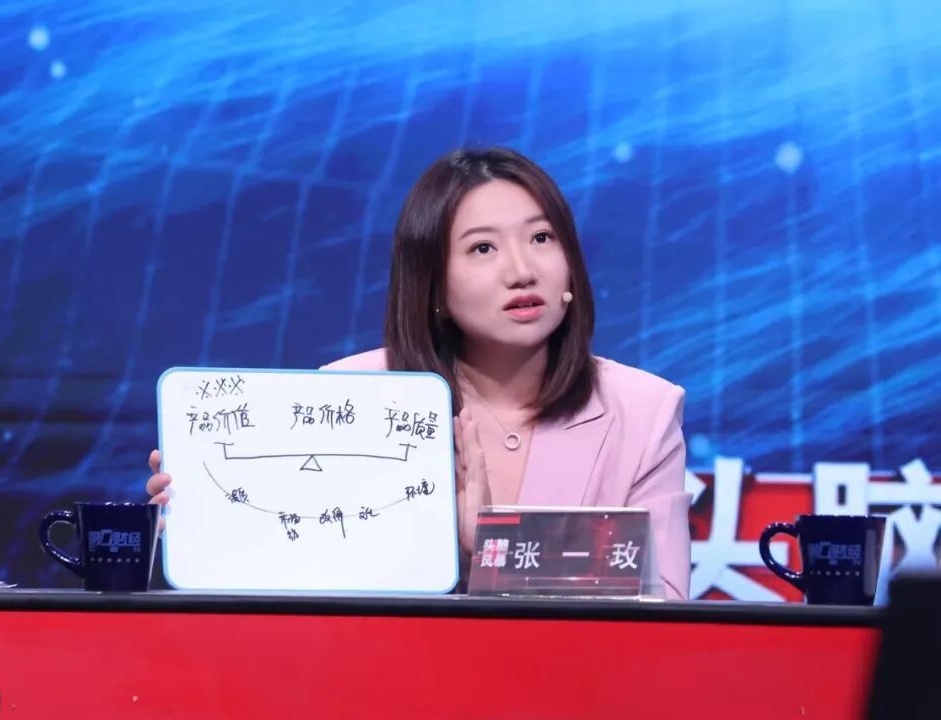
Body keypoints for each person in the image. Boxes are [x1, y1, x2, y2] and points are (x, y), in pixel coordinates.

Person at [147, 147, 691, 599]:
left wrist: (493, 546)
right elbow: (298, 588)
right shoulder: (347, 395)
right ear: (433, 285)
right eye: (483, 248)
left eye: (541, 238)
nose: (522, 270)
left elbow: (665, 603)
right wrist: (210, 525)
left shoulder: (643, 410)